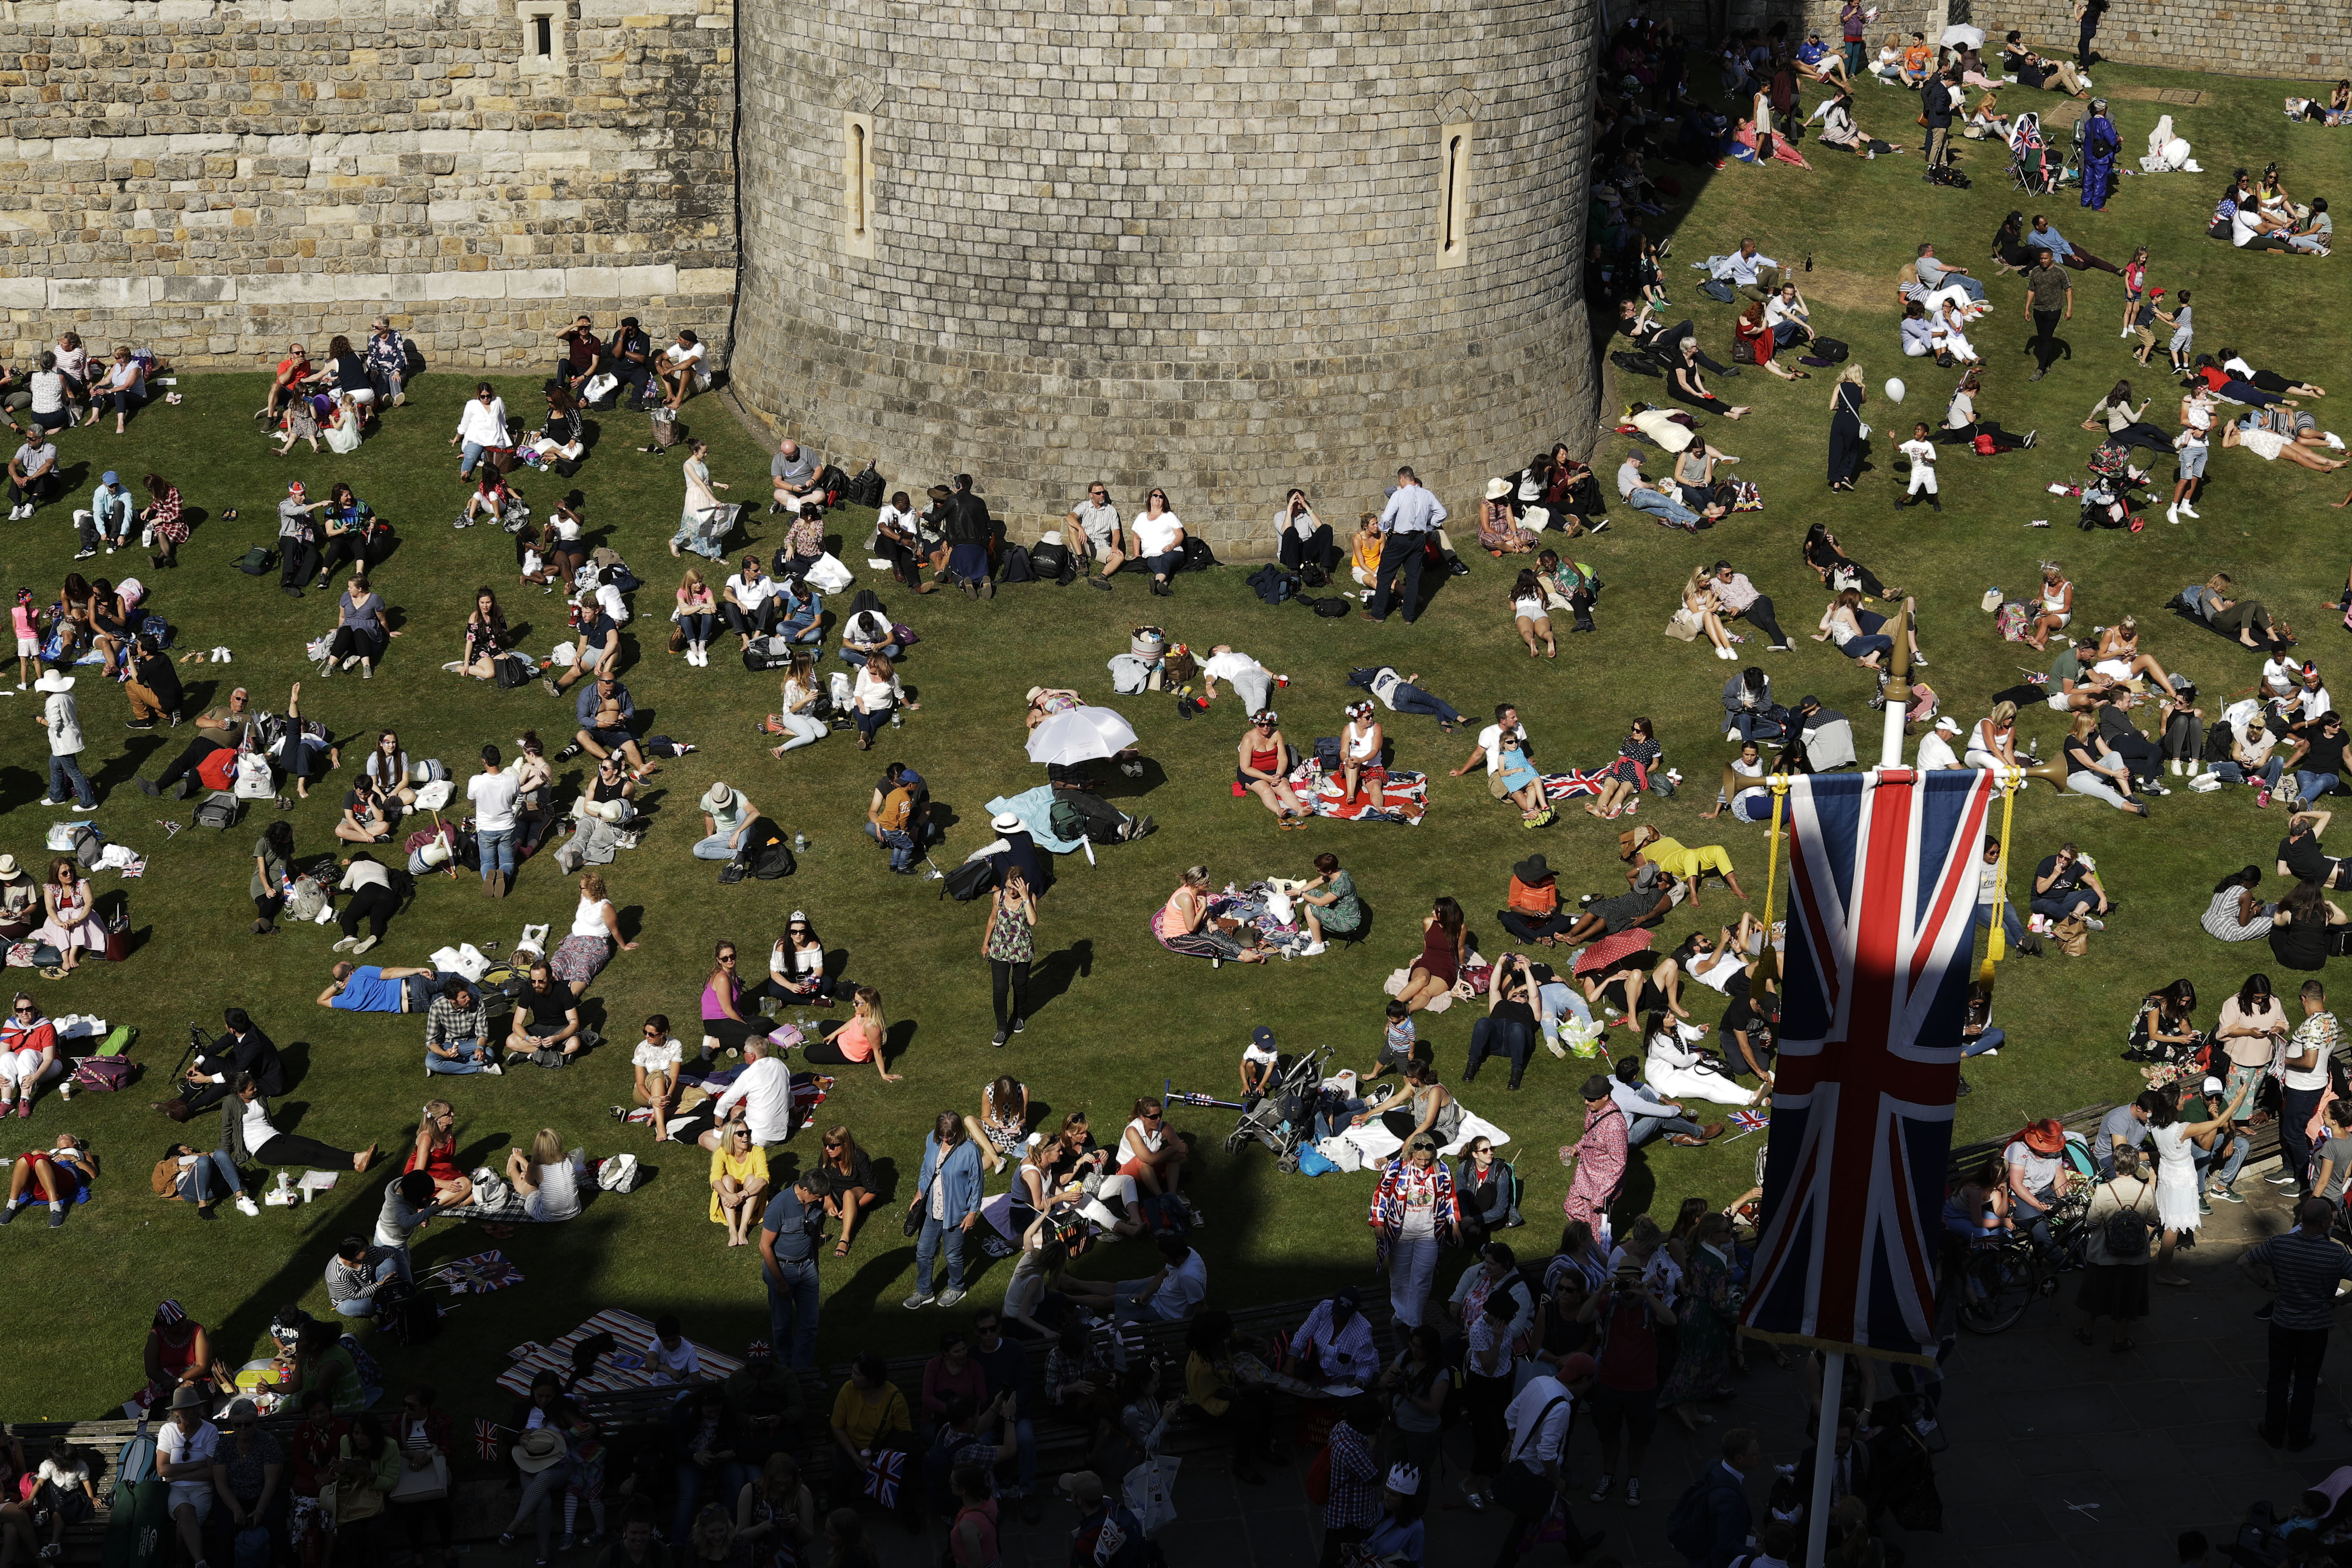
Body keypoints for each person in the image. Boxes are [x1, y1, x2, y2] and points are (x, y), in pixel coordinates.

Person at [2242, 1196, 2352, 1450]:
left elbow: (2244, 1262)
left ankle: (2274, 1431)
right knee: (2306, 1381)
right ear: (2324, 1223)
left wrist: (2267, 1285)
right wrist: (2345, 1301)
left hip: (2282, 1323)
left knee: (2278, 1378)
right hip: (2315, 1327)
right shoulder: (2335, 1252)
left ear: (2302, 1219)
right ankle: (2299, 1436)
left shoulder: (2280, 1244)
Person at [2152, 1076, 2256, 1284]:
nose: (2185, 1100)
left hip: (2166, 1175)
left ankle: (2149, 1257)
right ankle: (2164, 1273)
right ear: (2173, 1105)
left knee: (2166, 1218)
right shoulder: (2181, 1129)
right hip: (2180, 1179)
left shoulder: (2155, 1124)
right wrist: (2239, 1099)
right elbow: (2217, 1123)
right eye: (2182, 1099)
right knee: (2173, 1227)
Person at [903, 1112, 984, 1310]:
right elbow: (926, 1169)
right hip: (932, 1210)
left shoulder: (970, 1151)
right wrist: (920, 1191)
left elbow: (978, 1183)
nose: (945, 1139)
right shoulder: (932, 1140)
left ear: (958, 1132)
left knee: (953, 1255)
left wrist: (973, 1213)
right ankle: (924, 1292)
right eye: (942, 1136)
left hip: (957, 1214)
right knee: (923, 1252)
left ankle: (957, 1288)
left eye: (949, 1136)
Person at [1365, 466, 1447, 625]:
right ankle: (1409, 616)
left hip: (1399, 539)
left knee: (1385, 575)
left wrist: (1385, 530)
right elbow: (1442, 514)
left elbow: (1386, 518)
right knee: (1413, 577)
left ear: (1402, 479)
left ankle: (1378, 614)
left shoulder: (1399, 495)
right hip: (1419, 540)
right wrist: (1429, 526)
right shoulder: (1427, 494)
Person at [552, 871, 636, 997]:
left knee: (583, 969)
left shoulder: (606, 907)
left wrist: (624, 946)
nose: (580, 889)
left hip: (594, 946)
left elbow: (614, 930)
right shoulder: (584, 897)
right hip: (573, 941)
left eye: (582, 887)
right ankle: (545, 992)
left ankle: (569, 999)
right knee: (557, 963)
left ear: (591, 889)